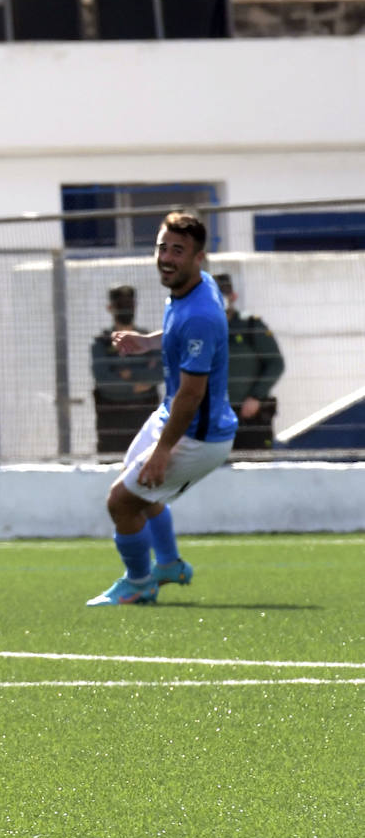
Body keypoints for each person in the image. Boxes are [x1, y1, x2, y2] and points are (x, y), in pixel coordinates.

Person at [87, 213, 237, 606]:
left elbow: (192, 395)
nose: (167, 258)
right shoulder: (194, 286)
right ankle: (168, 563)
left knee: (121, 502)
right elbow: (179, 335)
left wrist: (163, 450)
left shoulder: (201, 314)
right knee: (137, 489)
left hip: (198, 435)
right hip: (175, 416)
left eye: (178, 251)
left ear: (198, 257)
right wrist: (148, 342)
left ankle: (139, 583)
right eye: (162, 247)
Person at [215, 273, 285, 451]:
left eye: (223, 295)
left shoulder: (251, 325)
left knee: (256, 469)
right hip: (214, 416)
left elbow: (276, 364)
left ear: (233, 296)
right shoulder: (202, 330)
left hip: (249, 416)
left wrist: (256, 396)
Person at [91, 284, 162, 453]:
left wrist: (130, 373)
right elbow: (104, 380)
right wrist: (136, 386)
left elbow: (159, 372)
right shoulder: (102, 343)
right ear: (110, 308)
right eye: (120, 305)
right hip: (112, 420)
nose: (125, 309)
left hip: (143, 415)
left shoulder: (147, 339)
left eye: (129, 304)